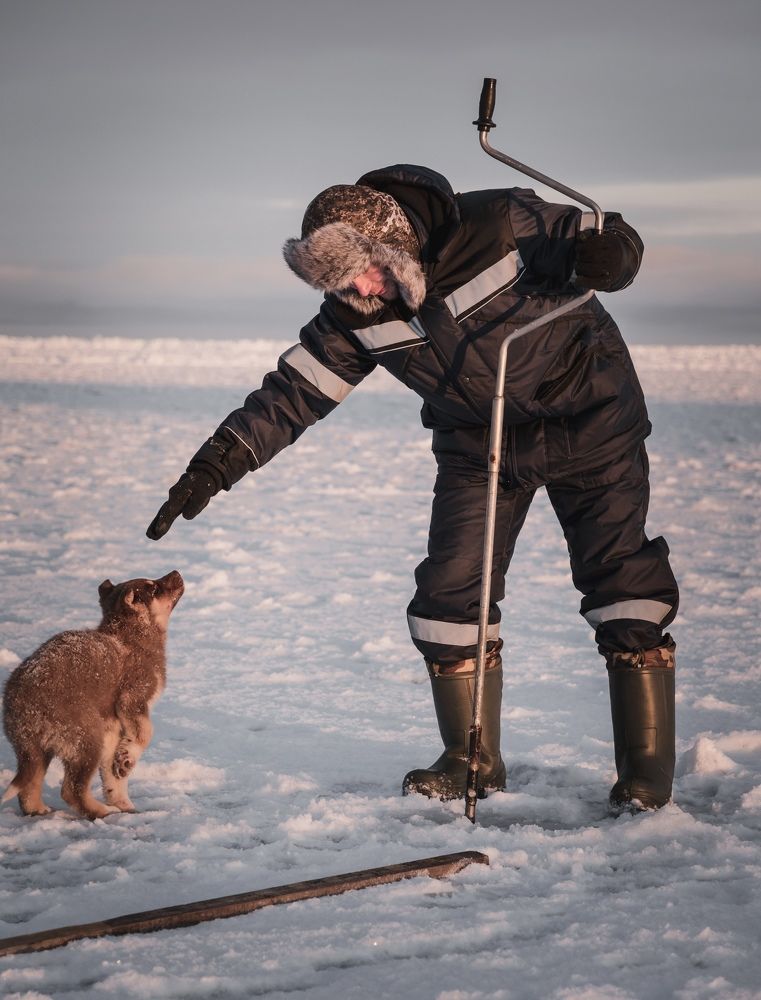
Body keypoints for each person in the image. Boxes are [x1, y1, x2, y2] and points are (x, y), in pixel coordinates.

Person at [147, 164, 679, 812]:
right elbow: (291, 395)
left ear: (393, 243)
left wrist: (609, 255)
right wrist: (216, 463)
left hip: (589, 421)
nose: (360, 289)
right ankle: (470, 760)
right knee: (446, 595)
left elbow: (605, 240)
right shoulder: (354, 313)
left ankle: (645, 775)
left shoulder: (501, 223)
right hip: (476, 447)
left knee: (623, 586)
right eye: (340, 282)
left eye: (365, 270)